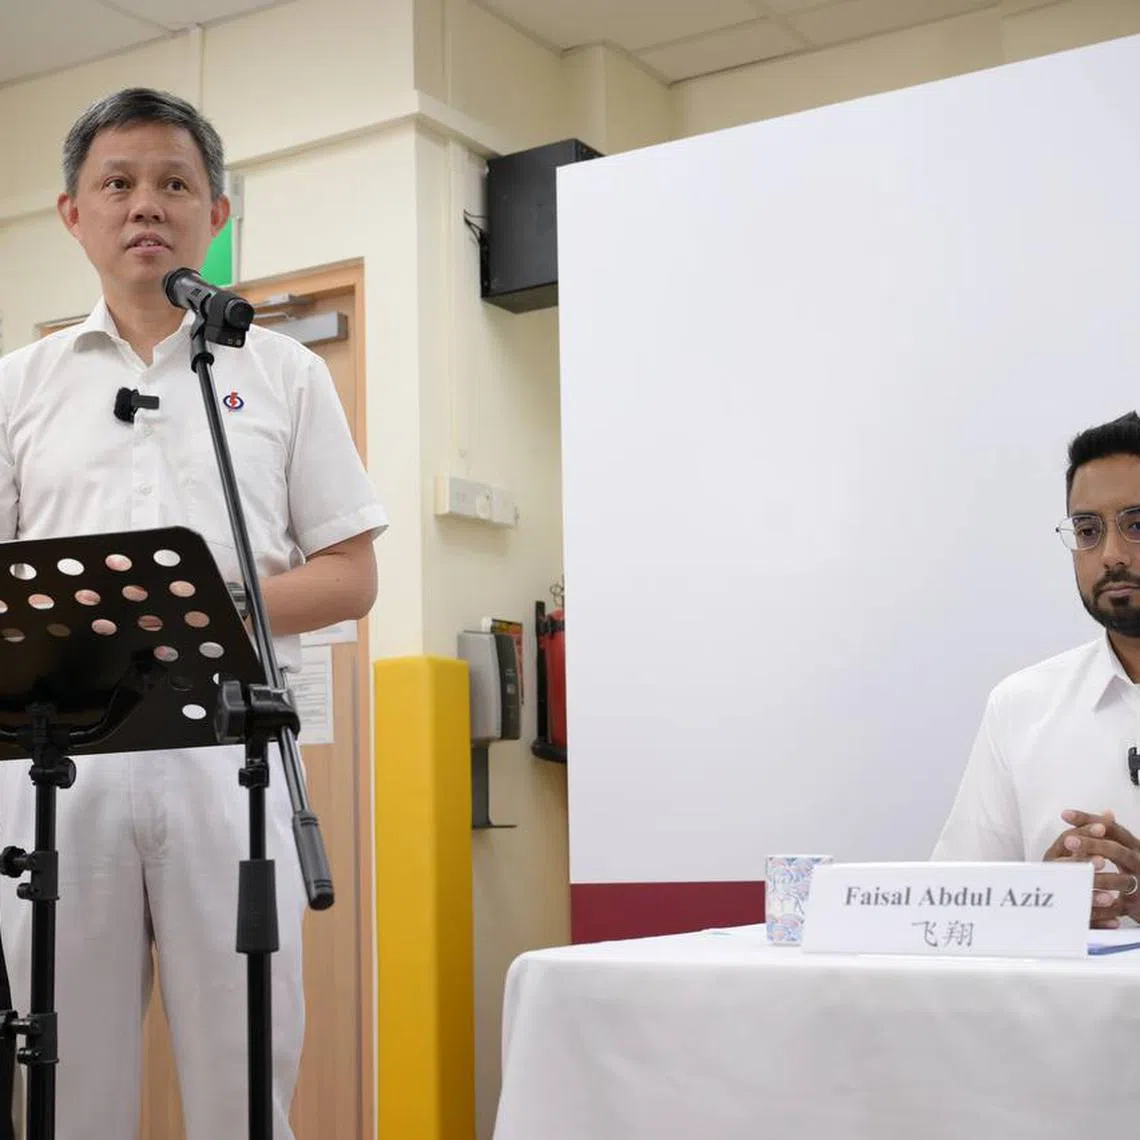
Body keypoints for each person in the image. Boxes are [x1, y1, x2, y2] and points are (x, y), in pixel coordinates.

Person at [0, 88, 387, 1137]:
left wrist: (202, 615)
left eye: (174, 183)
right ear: (73, 214)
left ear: (216, 213)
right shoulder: (19, 386)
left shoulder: (284, 372)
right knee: (67, 1086)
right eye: (116, 183)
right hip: (58, 768)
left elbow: (351, 574)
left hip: (232, 757)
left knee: (243, 1080)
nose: (145, 204)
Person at [934, 412, 1140, 929]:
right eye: (1088, 530)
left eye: (1137, 525)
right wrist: (1035, 899)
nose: (1111, 555)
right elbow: (955, 907)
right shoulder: (1023, 705)